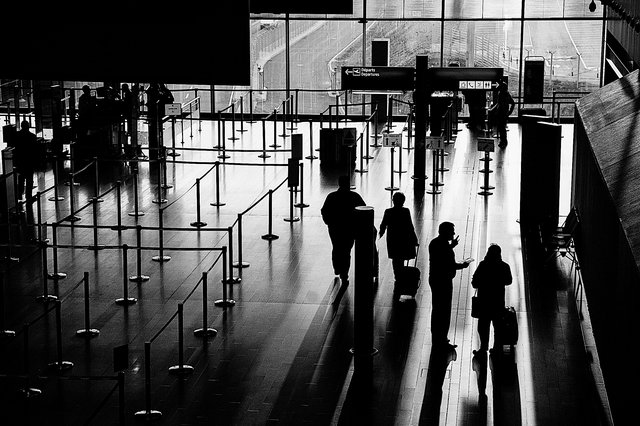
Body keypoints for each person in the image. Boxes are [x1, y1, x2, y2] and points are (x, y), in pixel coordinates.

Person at [428, 221, 472, 349]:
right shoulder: (444, 246)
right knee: (444, 311)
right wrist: (463, 265)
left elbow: (439, 257)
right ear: (445, 232)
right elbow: (448, 265)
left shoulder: (435, 243)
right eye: (451, 231)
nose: (453, 233)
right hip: (444, 280)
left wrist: (451, 246)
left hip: (435, 278)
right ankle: (442, 339)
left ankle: (437, 339)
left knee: (437, 309)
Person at [321, 175, 366, 284]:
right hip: (350, 228)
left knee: (336, 247)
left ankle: (337, 267)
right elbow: (363, 210)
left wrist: (329, 222)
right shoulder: (355, 196)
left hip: (335, 227)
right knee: (347, 250)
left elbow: (324, 211)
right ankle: (344, 272)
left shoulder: (331, 196)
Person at [471, 244, 512, 355]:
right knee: (498, 326)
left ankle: (483, 347)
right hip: (498, 301)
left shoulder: (483, 265)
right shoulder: (504, 266)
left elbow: (474, 282)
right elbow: (509, 281)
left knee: (483, 326)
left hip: (484, 301)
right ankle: (496, 348)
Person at [379, 192, 418, 285]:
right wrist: (414, 238)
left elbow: (383, 224)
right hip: (404, 237)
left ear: (393, 201)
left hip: (393, 238)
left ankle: (397, 276)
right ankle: (401, 275)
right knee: (402, 257)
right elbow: (410, 226)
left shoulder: (388, 211)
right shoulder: (406, 211)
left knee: (396, 259)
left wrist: (380, 234)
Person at [12, 120, 39, 202]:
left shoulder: (17, 135)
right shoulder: (32, 136)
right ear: (28, 126)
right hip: (29, 161)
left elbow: (14, 148)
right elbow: (34, 150)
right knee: (29, 179)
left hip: (20, 160)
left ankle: (19, 195)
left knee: (21, 178)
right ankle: (28, 196)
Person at [488, 81, 515, 148]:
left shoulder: (502, 94)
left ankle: (504, 142)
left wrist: (492, 110)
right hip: (503, 113)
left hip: (502, 114)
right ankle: (503, 141)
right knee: (501, 128)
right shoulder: (506, 94)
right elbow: (512, 103)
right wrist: (509, 112)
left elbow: (498, 104)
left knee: (502, 128)